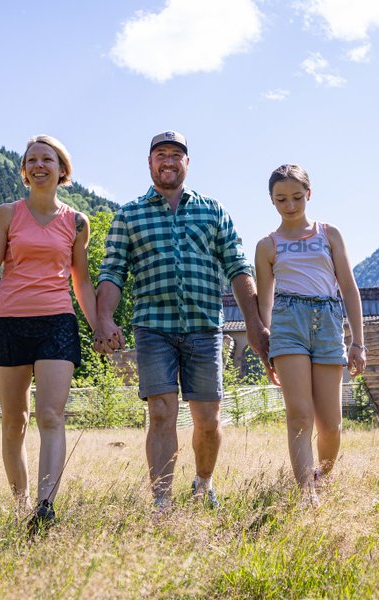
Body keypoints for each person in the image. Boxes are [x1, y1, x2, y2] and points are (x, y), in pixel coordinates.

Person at [94, 130, 273, 512]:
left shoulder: (213, 210)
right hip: (153, 326)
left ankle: (202, 483)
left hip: (205, 326)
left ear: (187, 163)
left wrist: (255, 326)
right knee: (160, 412)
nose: (168, 160)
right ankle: (161, 501)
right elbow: (112, 271)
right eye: (161, 154)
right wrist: (104, 317)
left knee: (208, 419)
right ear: (149, 163)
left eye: (176, 154)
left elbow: (239, 268)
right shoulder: (129, 214)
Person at [0, 134, 98, 532]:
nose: (39, 165)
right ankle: (20, 504)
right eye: (32, 160)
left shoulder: (76, 221)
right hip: (9, 323)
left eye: (47, 159)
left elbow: (81, 283)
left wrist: (99, 326)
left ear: (62, 169)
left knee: (50, 415)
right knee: (14, 420)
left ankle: (45, 506)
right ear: (24, 170)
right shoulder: (7, 213)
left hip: (57, 322)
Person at [254, 164, 366, 507]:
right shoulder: (267, 246)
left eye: (297, 197)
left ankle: (323, 476)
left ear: (309, 195)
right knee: (299, 414)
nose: (290, 205)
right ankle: (306, 493)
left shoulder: (329, 235)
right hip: (288, 326)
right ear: (272, 201)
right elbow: (265, 303)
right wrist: (266, 351)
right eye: (281, 199)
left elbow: (348, 287)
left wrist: (358, 342)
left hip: (329, 323)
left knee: (330, 424)